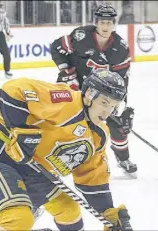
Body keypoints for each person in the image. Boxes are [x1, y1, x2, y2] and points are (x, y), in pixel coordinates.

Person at [0, 69, 133, 230]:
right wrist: (21, 130)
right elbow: (14, 89)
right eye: (104, 103)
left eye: (113, 106)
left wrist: (108, 214)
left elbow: (93, 179)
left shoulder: (99, 135)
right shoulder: (67, 101)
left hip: (32, 171)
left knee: (69, 209)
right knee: (18, 219)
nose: (107, 112)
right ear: (89, 95)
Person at [50, 5, 137, 177]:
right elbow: (56, 47)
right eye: (102, 22)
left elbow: (121, 80)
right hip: (73, 84)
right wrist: (66, 70)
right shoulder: (81, 36)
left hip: (101, 91)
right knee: (65, 119)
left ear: (114, 24)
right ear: (96, 23)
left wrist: (121, 104)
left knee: (117, 123)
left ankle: (123, 158)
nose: (106, 26)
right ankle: (52, 154)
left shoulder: (120, 48)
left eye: (109, 23)